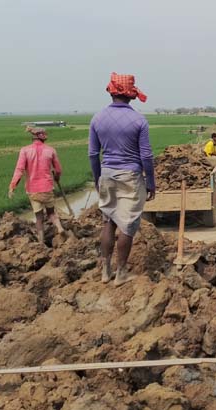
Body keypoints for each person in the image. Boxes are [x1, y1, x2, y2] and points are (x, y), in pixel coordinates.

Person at [89, 72, 156, 286]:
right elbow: (146, 155)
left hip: (107, 173)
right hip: (131, 176)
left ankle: (105, 270)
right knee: (126, 225)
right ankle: (121, 273)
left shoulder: (97, 118)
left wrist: (97, 178)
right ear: (131, 95)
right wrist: (151, 182)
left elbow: (93, 154)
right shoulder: (139, 120)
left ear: (111, 91)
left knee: (109, 220)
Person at [9, 126, 65, 243]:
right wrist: (57, 177)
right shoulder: (50, 150)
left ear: (32, 138)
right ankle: (59, 228)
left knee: (39, 218)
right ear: (43, 138)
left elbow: (19, 170)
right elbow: (58, 170)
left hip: (33, 190)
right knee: (51, 213)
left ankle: (41, 241)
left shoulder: (24, 150)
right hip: (47, 187)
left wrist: (12, 186)